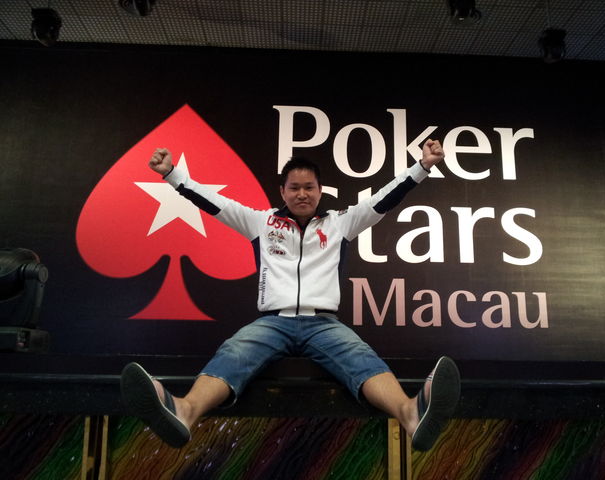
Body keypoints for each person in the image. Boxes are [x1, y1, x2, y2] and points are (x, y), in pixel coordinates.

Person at [120, 140, 460, 451]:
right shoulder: (261, 222)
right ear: (282, 191)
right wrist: (171, 173)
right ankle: (184, 411)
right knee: (235, 351)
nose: (302, 194)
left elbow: (386, 197)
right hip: (273, 323)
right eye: (294, 188)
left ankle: (410, 413)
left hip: (323, 324)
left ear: (320, 190)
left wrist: (423, 166)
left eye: (309, 187)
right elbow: (212, 201)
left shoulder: (340, 223)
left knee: (360, 355)